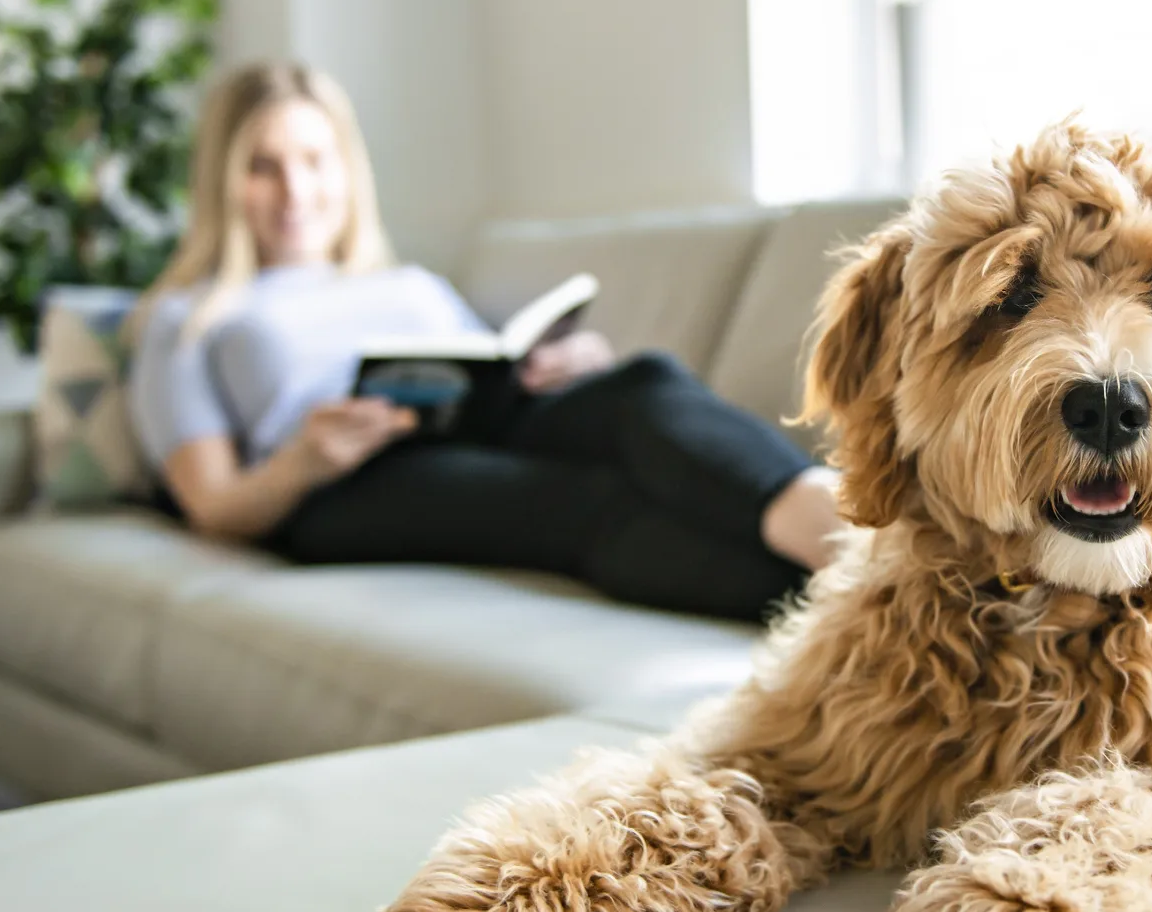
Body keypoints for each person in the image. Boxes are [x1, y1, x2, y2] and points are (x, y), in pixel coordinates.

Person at [127, 62, 842, 622]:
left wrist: (561, 370)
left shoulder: (406, 283)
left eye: (315, 160)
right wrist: (304, 462)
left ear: (346, 169)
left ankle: (844, 531)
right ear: (224, 181)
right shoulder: (186, 318)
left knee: (643, 384)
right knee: (582, 503)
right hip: (346, 487)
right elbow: (212, 506)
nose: (295, 190)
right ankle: (854, 600)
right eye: (263, 166)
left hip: (481, 430)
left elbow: (487, 373)